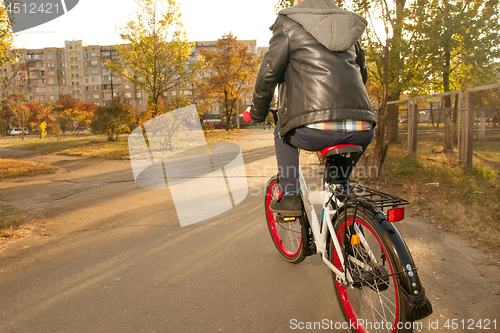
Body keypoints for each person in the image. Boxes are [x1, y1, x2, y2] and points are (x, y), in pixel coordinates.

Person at [249, 0, 376, 216]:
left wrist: (257, 113)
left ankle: (289, 195)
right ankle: (347, 223)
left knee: (282, 130)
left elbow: (269, 73)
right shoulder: (347, 23)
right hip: (362, 127)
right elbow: (361, 73)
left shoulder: (289, 20)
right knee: (339, 186)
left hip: (312, 130)